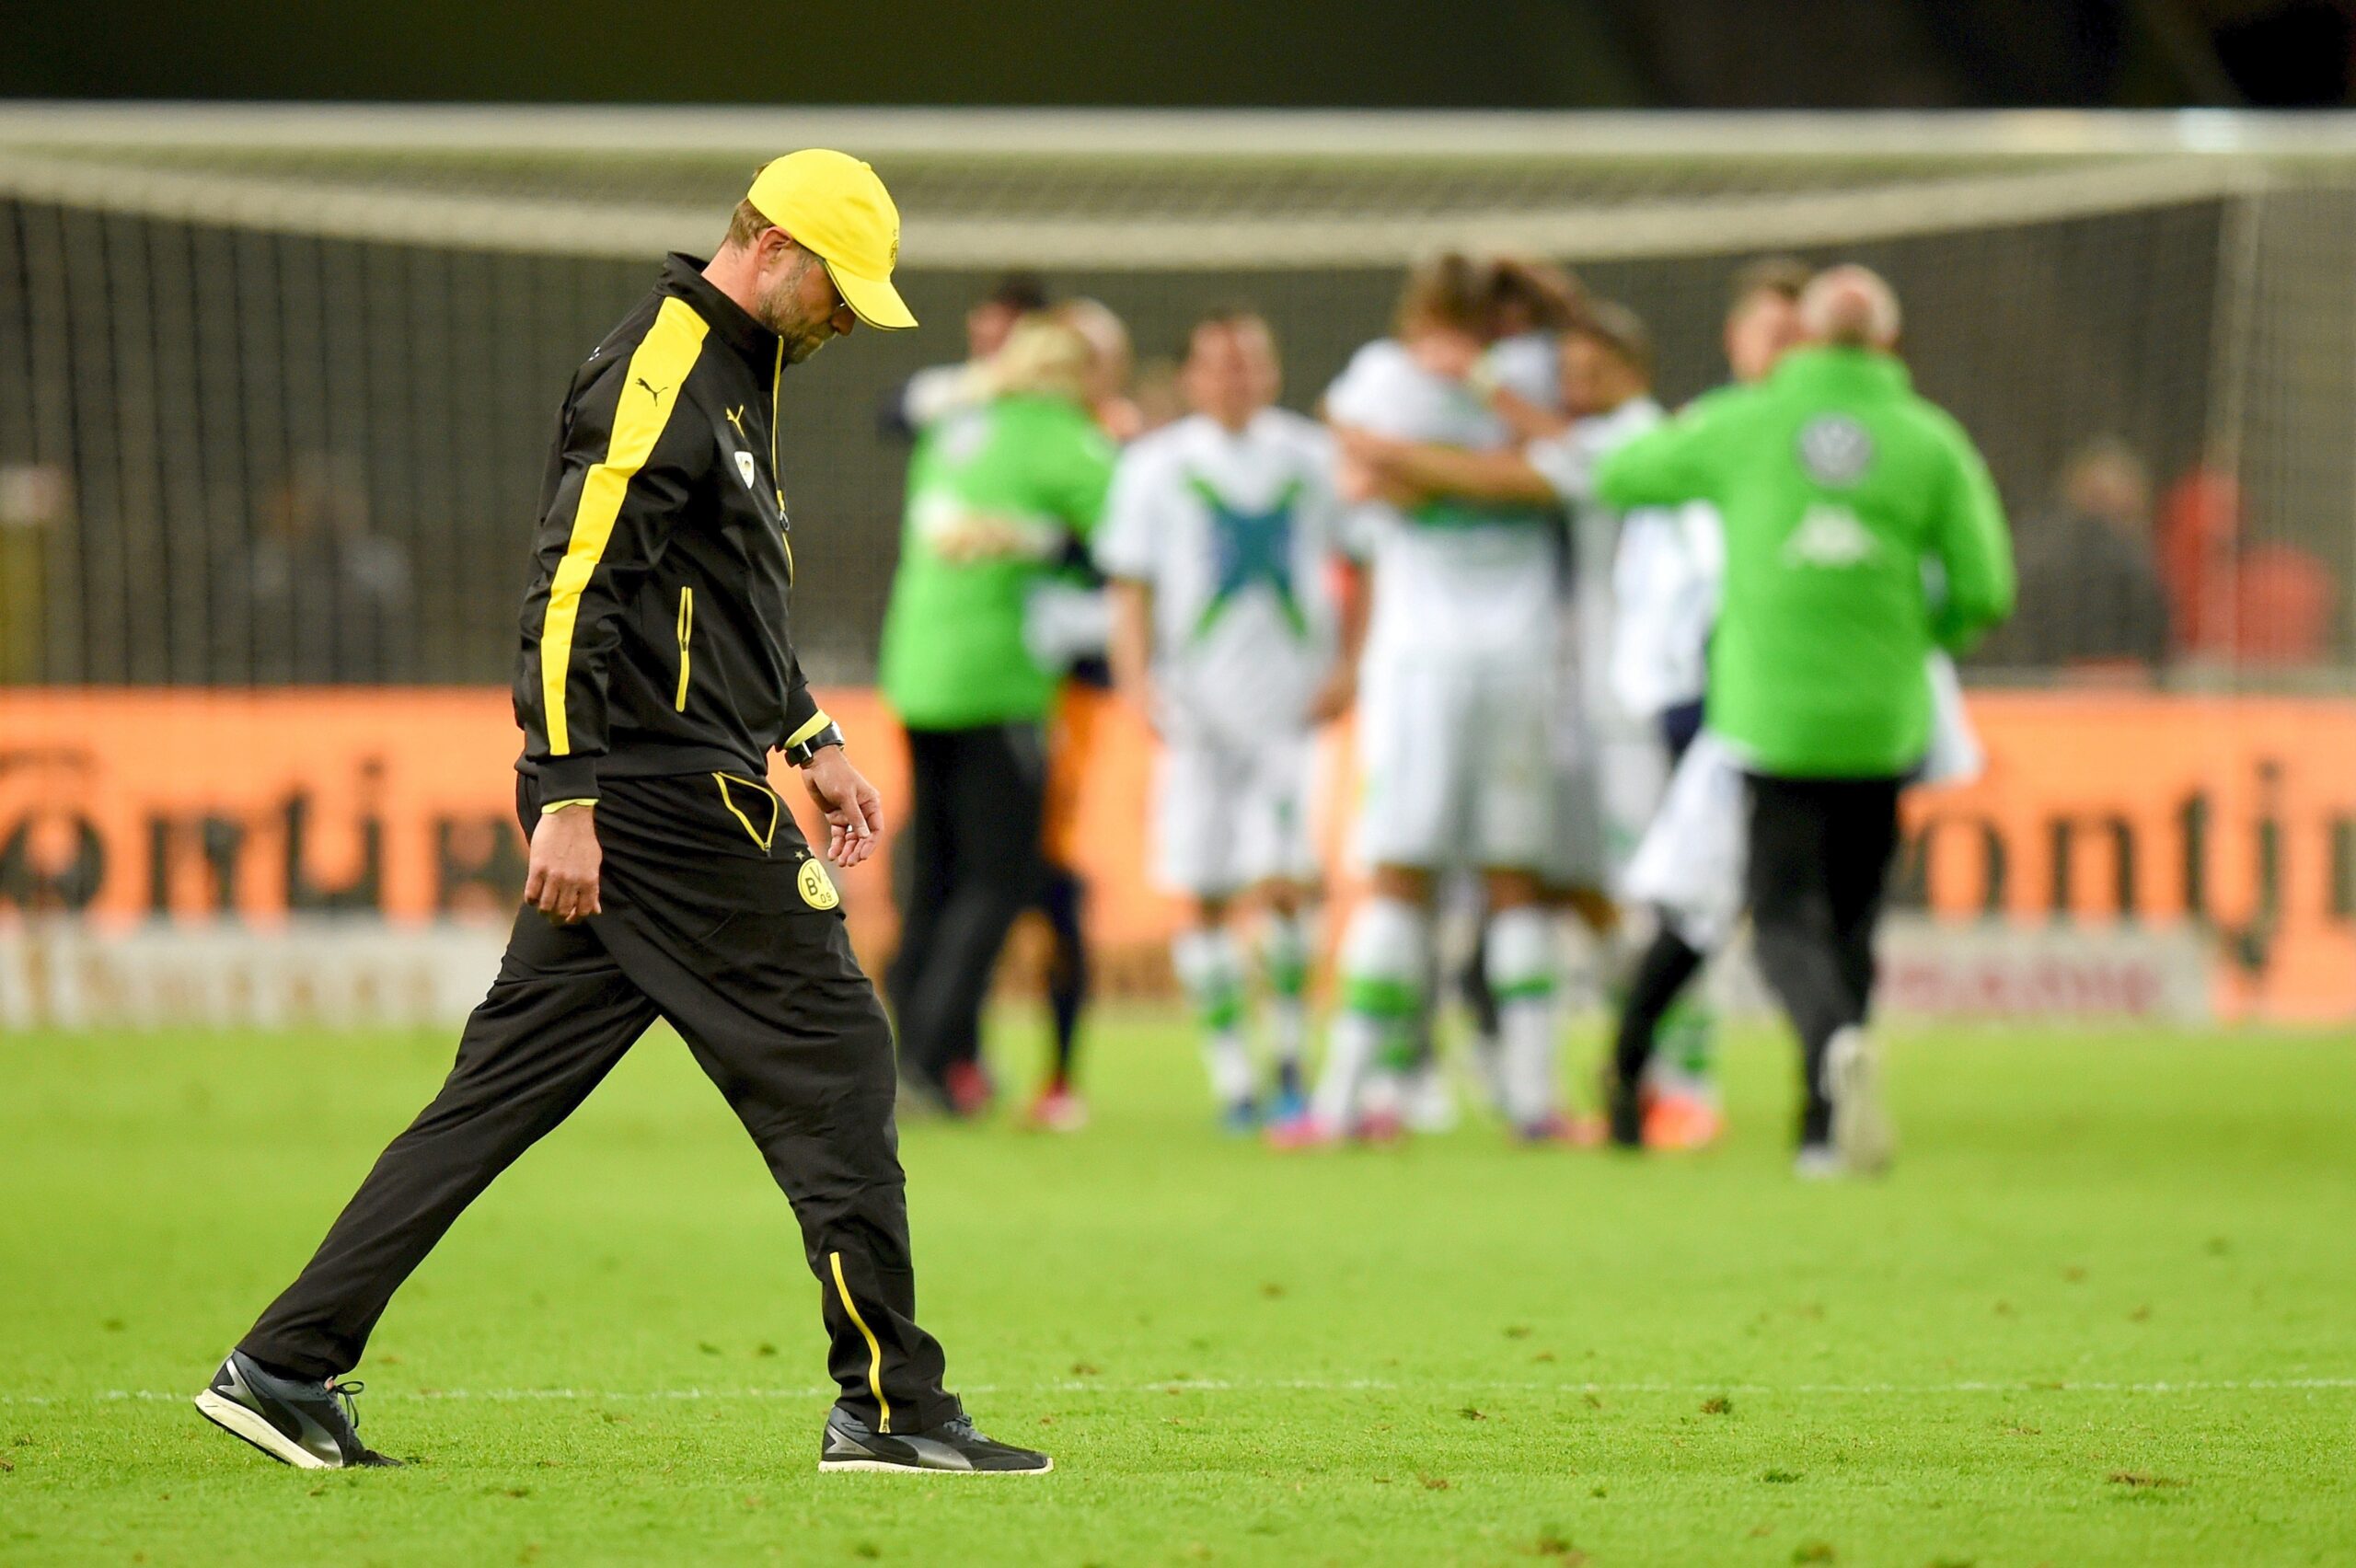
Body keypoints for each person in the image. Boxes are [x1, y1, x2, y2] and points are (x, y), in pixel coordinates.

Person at [194, 152, 1050, 1475]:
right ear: (766, 243)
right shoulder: (664, 367)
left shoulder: (736, 378)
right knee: (835, 1056)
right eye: (836, 289)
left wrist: (807, 735)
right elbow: (570, 593)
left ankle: (285, 1366)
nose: (841, 319)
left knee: (492, 1098)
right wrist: (564, 795)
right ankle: (889, 1407)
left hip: (673, 784)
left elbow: (716, 601)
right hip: (662, 805)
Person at [1593, 265, 2016, 1177]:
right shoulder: (1929, 439)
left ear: (1807, 340)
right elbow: (1985, 587)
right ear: (1889, 344)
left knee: (1773, 914)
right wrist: (1909, 630)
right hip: (1882, 721)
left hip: (1764, 717)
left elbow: (1622, 476)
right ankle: (1823, 1134)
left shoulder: (1743, 425)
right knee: (1854, 919)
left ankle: (1822, 1050)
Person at [1288, 255, 1575, 1147]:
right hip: (1522, 658)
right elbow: (1560, 465)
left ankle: (1337, 1107)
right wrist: (1487, 465)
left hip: (1419, 664)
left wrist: (1403, 465)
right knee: (1514, 881)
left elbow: (1355, 475)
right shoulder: (1533, 378)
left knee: (1399, 877)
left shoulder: (1381, 377)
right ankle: (1533, 1103)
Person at [1097, 309, 1354, 1130]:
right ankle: (1233, 1080)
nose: (1238, 376)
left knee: (1285, 887)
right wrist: (1137, 684)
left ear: (1273, 373)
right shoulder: (1154, 466)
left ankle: (1287, 1065)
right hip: (1196, 710)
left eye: (1252, 361)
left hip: (1289, 707)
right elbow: (1129, 584)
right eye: (1221, 363)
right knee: (1202, 893)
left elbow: (1366, 559)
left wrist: (1349, 663)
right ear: (1193, 377)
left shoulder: (1313, 458)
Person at [878, 314, 1116, 1120]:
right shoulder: (1065, 438)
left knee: (936, 875)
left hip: (917, 673)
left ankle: (911, 1056)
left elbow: (896, 411)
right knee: (999, 876)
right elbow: (1133, 535)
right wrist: (1052, 541)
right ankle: (933, 1056)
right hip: (998, 680)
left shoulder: (958, 424)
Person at [1986, 438, 2169, 672]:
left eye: (2121, 513)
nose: (2103, 528)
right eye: (2099, 501)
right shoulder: (2041, 559)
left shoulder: (2144, 568)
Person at [879, 272, 1049, 440]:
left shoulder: (1051, 387)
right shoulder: (961, 383)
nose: (986, 330)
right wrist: (976, 387)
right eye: (985, 319)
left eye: (1007, 321)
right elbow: (893, 412)